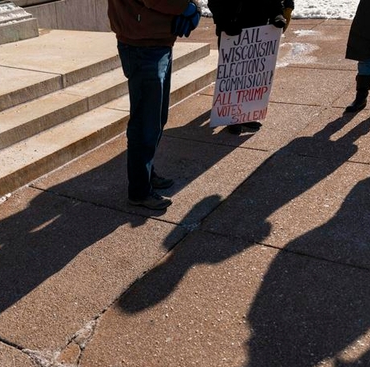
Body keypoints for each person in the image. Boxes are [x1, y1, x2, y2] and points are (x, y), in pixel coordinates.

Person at [107, 0, 200, 210]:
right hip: (142, 44)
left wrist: (190, 5)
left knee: (156, 119)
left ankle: (145, 173)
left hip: (156, 40)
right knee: (144, 123)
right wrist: (185, 7)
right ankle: (139, 190)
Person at [208, 0, 293, 134]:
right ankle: (232, 117)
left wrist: (277, 13)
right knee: (233, 74)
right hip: (231, 27)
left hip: (258, 27)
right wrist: (223, 21)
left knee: (252, 74)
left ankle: (246, 113)